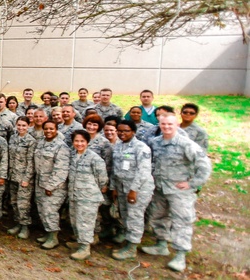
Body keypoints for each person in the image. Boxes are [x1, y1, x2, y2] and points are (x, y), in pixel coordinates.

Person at [142, 114, 212, 272]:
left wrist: (192, 183)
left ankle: (180, 255)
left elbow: (204, 165)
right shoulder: (155, 142)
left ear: (177, 124)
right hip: (160, 188)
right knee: (158, 216)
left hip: (179, 191)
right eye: (163, 124)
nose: (166, 127)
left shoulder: (186, 144)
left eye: (170, 124)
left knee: (182, 221)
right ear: (159, 124)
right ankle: (161, 244)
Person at [110, 120, 155, 260]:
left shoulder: (141, 148)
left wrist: (133, 190)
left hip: (138, 189)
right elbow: (115, 168)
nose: (122, 133)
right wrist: (114, 187)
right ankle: (127, 239)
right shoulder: (118, 145)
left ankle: (132, 247)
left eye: (126, 131)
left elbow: (144, 171)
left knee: (135, 216)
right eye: (120, 131)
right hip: (122, 186)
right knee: (125, 214)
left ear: (133, 132)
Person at [66, 130, 109, 260]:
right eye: (76, 141)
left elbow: (102, 179)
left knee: (85, 223)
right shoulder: (72, 155)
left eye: (82, 141)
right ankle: (80, 242)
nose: (79, 144)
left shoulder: (94, 158)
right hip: (74, 194)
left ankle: (85, 248)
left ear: (87, 142)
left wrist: (96, 188)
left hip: (88, 197)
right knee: (75, 221)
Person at [34, 120, 71, 249]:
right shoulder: (41, 143)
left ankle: (53, 237)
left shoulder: (61, 147)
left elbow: (61, 170)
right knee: (42, 210)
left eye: (51, 129)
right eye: (46, 129)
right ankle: (48, 233)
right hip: (40, 183)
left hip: (54, 187)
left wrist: (51, 186)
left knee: (50, 211)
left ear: (56, 130)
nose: (48, 131)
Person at [6, 117, 36, 239]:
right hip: (12, 175)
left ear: (28, 126)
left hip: (24, 178)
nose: (21, 128)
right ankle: (18, 222)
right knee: (13, 202)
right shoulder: (13, 138)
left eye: (24, 125)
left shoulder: (31, 141)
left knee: (23, 203)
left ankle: (25, 226)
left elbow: (31, 162)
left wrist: (27, 178)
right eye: (19, 125)